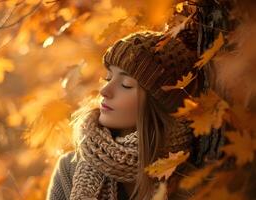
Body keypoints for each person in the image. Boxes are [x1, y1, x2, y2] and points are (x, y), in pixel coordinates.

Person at [46, 30, 206, 200]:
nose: (104, 90)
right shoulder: (68, 169)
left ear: (156, 104)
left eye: (126, 84)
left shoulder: (190, 184)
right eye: (108, 78)